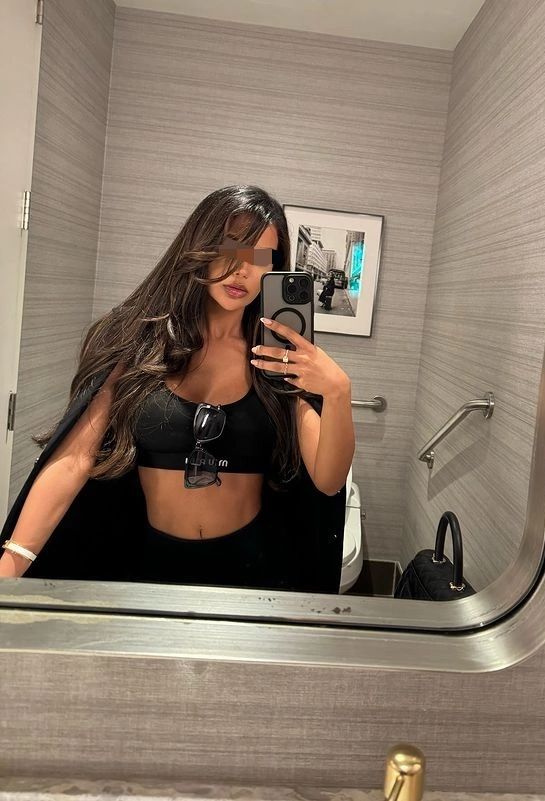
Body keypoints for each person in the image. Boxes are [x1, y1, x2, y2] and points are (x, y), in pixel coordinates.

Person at [0, 185, 355, 592]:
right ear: (200, 245)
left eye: (261, 258)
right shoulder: (137, 340)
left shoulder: (275, 357)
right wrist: (13, 561)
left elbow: (327, 480)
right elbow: (75, 459)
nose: (243, 270)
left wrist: (338, 392)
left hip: (251, 571)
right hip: (144, 565)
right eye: (231, 248)